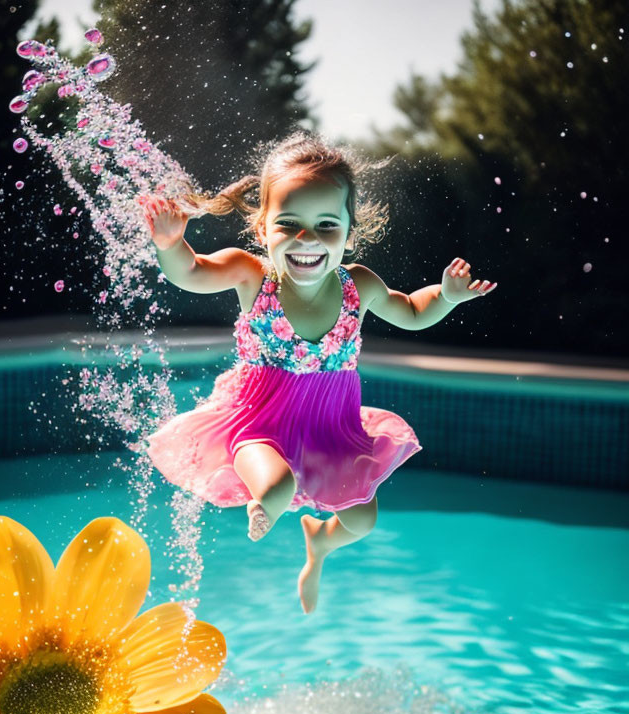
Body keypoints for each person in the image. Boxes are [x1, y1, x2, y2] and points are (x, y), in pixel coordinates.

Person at [139, 131, 497, 613]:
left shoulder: (359, 286)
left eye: (326, 225)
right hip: (256, 424)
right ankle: (264, 501)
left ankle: (321, 543)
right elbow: (193, 272)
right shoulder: (252, 275)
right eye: (290, 224)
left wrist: (448, 297)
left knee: (362, 520)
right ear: (264, 229)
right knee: (276, 486)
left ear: (350, 232)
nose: (307, 239)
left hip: (334, 429)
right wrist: (170, 243)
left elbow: (412, 310)